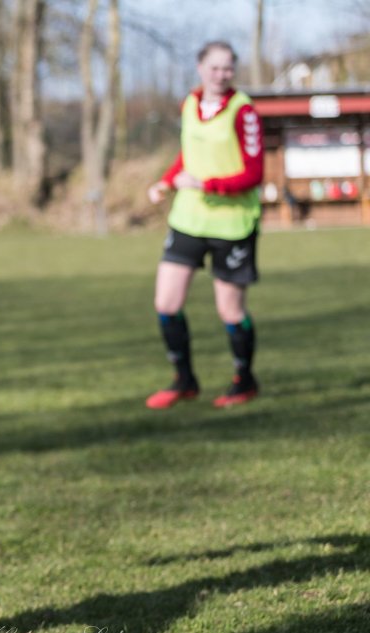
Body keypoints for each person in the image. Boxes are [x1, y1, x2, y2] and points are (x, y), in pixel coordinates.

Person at [145, 41, 263, 410]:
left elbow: (254, 172)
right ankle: (184, 380)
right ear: (200, 67)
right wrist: (166, 181)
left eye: (228, 68)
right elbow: (187, 155)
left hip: (232, 223)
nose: (221, 75)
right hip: (189, 219)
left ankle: (244, 381)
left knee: (230, 311)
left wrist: (208, 185)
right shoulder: (191, 103)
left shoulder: (244, 111)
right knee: (166, 303)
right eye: (215, 68)